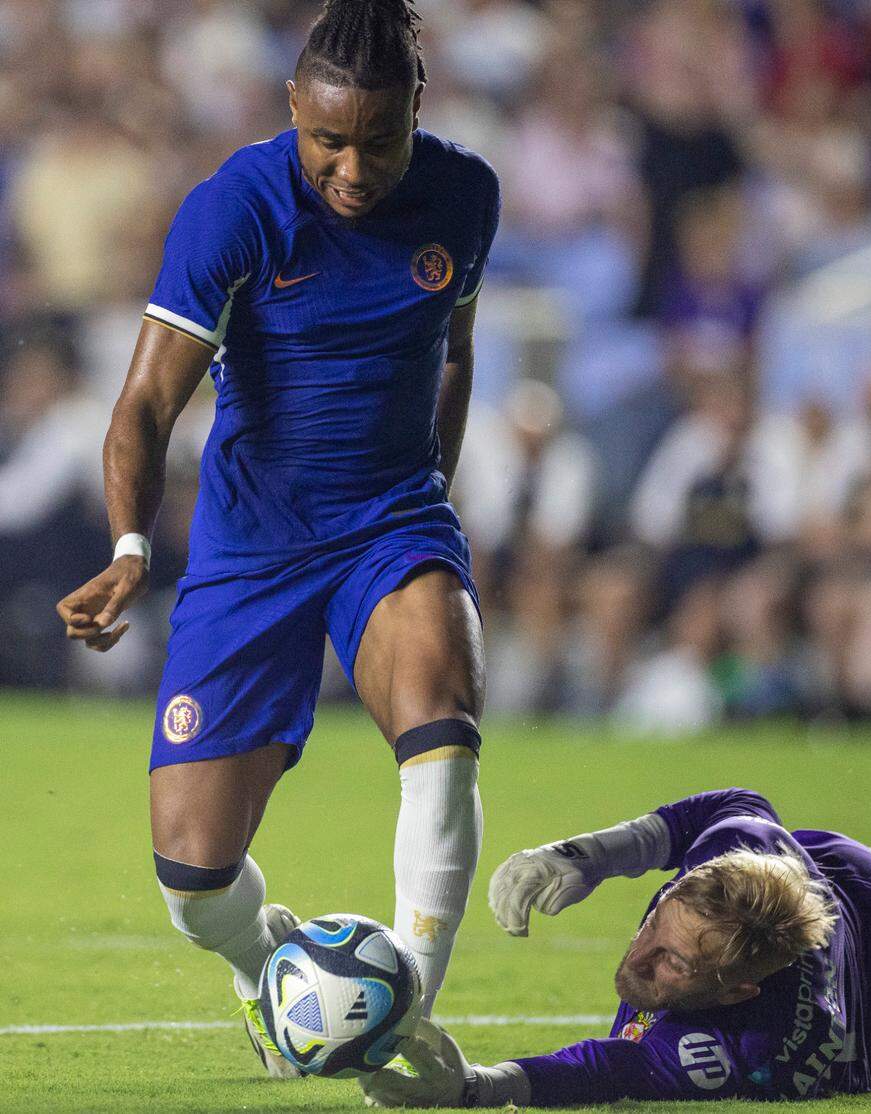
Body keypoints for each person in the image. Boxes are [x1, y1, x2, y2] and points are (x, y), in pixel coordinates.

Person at [53, 0, 500, 1078]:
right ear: (292, 106)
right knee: (193, 880)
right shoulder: (233, 209)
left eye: (379, 140)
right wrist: (127, 548)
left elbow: (455, 352)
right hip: (253, 544)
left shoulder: (465, 196)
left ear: (415, 112)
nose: (353, 167)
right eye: (329, 140)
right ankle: (269, 969)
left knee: (442, 723)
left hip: (391, 519)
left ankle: (409, 1016)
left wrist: (430, 490)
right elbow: (146, 404)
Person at [361, 702, 871, 1106]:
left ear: (736, 989)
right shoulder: (734, 859)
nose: (642, 955)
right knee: (828, 883)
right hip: (819, 872)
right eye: (656, 923)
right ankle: (860, 881)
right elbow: (737, 804)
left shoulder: (738, 1048)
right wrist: (586, 856)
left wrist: (476, 1089)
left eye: (673, 963)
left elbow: (610, 1068)